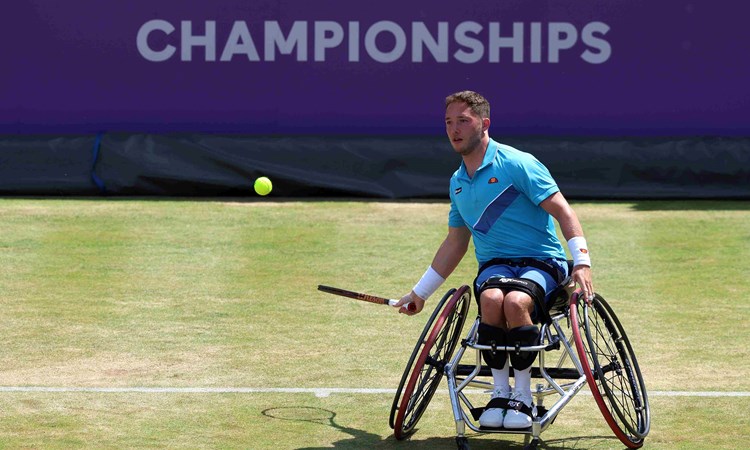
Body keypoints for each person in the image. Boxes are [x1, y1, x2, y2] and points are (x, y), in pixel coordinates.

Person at [395, 90, 594, 429]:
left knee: (516, 303)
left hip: (542, 262)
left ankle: (522, 397)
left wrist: (582, 261)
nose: (454, 129)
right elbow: (456, 242)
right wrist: (419, 294)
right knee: (489, 298)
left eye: (463, 121)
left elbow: (563, 211)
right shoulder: (457, 182)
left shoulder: (518, 164)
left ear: (484, 124)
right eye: (448, 122)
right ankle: (499, 395)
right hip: (496, 267)